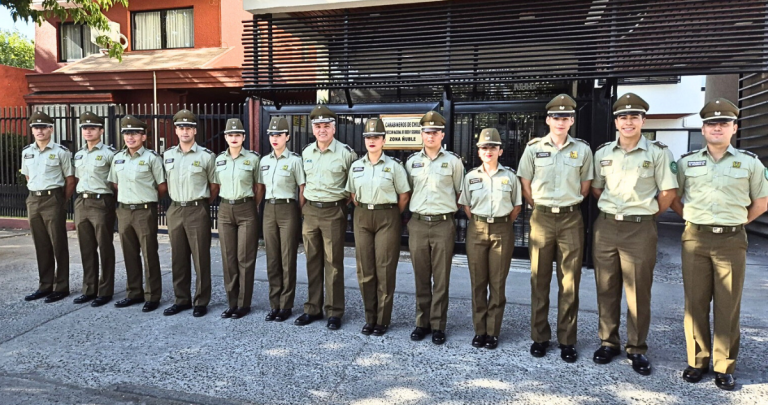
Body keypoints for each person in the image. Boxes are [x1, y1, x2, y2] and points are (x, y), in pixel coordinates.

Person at [671, 98, 768, 390]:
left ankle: (724, 367)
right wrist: (690, 216)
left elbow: (761, 202)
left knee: (728, 305)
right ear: (703, 128)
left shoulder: (750, 162)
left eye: (723, 123)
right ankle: (697, 362)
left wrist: (737, 222)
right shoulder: (687, 162)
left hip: (731, 240)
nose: (717, 128)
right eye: (711, 123)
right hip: (695, 238)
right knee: (696, 303)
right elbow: (674, 197)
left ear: (734, 128)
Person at [591, 93, 678, 375]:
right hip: (606, 226)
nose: (628, 122)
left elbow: (668, 193)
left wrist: (646, 214)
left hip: (640, 228)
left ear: (643, 120)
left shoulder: (658, 153)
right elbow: (596, 188)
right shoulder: (603, 153)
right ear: (616, 122)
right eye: (622, 117)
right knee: (606, 287)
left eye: (634, 117)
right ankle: (608, 342)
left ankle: (636, 348)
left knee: (638, 290)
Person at [517, 94, 594, 362]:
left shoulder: (583, 150)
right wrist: (540, 206)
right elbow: (525, 184)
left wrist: (566, 205)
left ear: (572, 121)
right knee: (539, 280)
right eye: (556, 117)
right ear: (548, 120)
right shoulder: (533, 148)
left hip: (571, 219)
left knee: (569, 282)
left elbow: (585, 188)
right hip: (542, 218)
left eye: (566, 117)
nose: (561, 121)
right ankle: (539, 337)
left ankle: (567, 339)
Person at [346, 117, 411, 336]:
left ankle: (382, 319)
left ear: (384, 140)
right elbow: (353, 195)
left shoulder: (394, 166)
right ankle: (369, 317)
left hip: (387, 216)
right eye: (368, 137)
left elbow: (404, 195)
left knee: (384, 268)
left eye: (376, 137)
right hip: (363, 214)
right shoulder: (356, 166)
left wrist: (391, 214)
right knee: (365, 269)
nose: (372, 140)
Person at [405, 111, 465, 345]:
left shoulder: (453, 161)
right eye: (426, 132)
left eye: (435, 132)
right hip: (418, 223)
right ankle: (422, 322)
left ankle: (438, 325)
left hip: (443, 223)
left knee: (441, 278)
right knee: (421, 277)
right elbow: (407, 191)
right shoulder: (411, 162)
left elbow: (461, 192)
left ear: (442, 134)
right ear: (421, 134)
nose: (430, 135)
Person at [459, 128, 522, 349]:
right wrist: (481, 220)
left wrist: (499, 222)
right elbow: (466, 205)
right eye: (484, 147)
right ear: (479, 152)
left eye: (493, 147)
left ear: (500, 151)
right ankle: (479, 330)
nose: (488, 151)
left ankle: (493, 331)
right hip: (477, 228)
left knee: (497, 283)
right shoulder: (471, 176)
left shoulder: (510, 176)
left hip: (502, 230)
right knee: (478, 282)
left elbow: (516, 207)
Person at [296, 105, 357, 330]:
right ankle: (312, 308)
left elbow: (353, 188)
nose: (322, 130)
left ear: (334, 128)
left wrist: (339, 205)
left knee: (333, 263)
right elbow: (303, 184)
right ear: (313, 129)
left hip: (333, 211)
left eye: (326, 126)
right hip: (311, 211)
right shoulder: (306, 152)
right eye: (318, 126)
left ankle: (334, 311)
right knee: (312, 261)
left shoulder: (346, 153)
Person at [162, 110, 218, 318]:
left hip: (197, 208)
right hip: (176, 208)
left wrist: (200, 203)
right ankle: (181, 299)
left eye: (188, 128)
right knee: (178, 257)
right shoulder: (167, 155)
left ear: (194, 130)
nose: (184, 131)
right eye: (181, 128)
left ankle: (201, 301)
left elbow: (213, 186)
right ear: (176, 130)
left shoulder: (206, 156)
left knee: (200, 256)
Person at [108, 115, 167, 312]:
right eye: (126, 133)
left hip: (144, 211)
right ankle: (134, 292)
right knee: (129, 253)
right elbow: (115, 184)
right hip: (124, 210)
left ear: (143, 136)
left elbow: (161, 186)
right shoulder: (118, 158)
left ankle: (152, 295)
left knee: (149, 253)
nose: (130, 137)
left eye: (134, 133)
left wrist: (147, 200)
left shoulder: (152, 158)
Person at [21, 111, 75, 303]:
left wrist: (62, 201)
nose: (40, 130)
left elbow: (70, 180)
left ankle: (61, 286)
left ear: (51, 129)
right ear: (32, 130)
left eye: (43, 127)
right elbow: (28, 177)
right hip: (34, 199)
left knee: (58, 243)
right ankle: (45, 285)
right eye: (36, 127)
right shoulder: (26, 152)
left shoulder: (61, 152)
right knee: (41, 243)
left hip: (53, 199)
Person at [259, 117, 306, 322]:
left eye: (279, 134)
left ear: (287, 136)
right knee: (272, 258)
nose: (275, 138)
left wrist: (297, 210)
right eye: (272, 134)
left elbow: (302, 188)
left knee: (288, 258)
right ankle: (274, 303)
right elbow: (260, 188)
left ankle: (286, 305)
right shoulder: (264, 161)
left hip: (288, 208)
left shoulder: (295, 160)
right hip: (269, 208)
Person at [214, 118, 260, 319]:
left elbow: (258, 188)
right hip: (225, 208)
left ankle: (243, 303)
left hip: (246, 208)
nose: (234, 138)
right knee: (228, 257)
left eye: (237, 135)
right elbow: (215, 186)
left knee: (245, 257)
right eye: (230, 135)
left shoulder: (253, 159)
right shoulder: (218, 160)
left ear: (243, 137)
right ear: (225, 137)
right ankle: (231, 302)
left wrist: (250, 205)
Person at [72, 111, 117, 307]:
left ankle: (105, 290)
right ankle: (89, 288)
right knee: (86, 247)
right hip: (82, 201)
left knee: (104, 246)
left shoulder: (110, 154)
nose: (88, 131)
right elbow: (75, 179)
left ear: (101, 130)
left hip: (101, 202)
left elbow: (115, 183)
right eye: (84, 128)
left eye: (92, 128)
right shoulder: (79, 154)